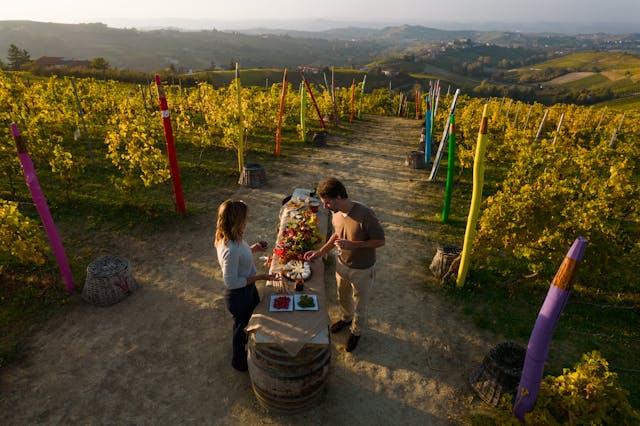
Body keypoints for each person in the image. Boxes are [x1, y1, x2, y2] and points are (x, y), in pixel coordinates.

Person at [303, 178, 385, 352]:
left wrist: (356, 245)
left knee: (360, 302)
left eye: (327, 203)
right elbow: (335, 236)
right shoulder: (336, 212)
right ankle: (346, 318)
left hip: (362, 269)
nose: (324, 207)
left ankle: (356, 332)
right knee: (342, 295)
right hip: (342, 265)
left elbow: (380, 241)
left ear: (339, 197)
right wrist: (320, 253)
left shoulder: (365, 215)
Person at [214, 199, 275, 371]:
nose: (246, 221)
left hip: (247, 290)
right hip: (239, 295)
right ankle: (239, 362)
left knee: (254, 319)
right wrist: (260, 277)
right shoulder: (230, 249)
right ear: (236, 221)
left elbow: (241, 256)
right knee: (241, 328)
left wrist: (253, 248)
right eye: (244, 219)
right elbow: (231, 282)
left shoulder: (233, 238)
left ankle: (255, 348)